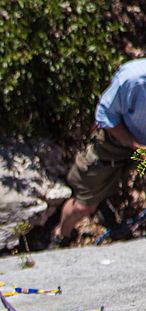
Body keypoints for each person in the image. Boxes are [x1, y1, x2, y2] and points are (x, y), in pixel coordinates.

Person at [54, 58, 146, 245]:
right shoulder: (132, 78)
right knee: (83, 205)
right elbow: (106, 117)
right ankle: (61, 236)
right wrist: (137, 147)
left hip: (143, 152)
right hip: (117, 142)